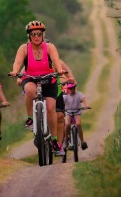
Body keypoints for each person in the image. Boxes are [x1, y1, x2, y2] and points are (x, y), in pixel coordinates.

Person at [9, 20, 66, 155]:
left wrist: (59, 70)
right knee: (30, 90)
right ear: (29, 35)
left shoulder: (50, 47)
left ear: (42, 34)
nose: (36, 37)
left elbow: (56, 60)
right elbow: (17, 62)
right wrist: (15, 71)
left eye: (39, 34)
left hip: (49, 78)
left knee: (51, 108)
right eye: (33, 34)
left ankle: (53, 140)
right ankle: (31, 118)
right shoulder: (24, 48)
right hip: (30, 77)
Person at [63, 82, 90, 150]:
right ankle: (66, 139)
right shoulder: (66, 96)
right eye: (69, 88)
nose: (70, 89)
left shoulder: (78, 94)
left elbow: (83, 99)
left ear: (74, 88)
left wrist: (86, 105)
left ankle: (82, 141)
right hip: (68, 112)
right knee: (67, 124)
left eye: (72, 88)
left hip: (77, 112)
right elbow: (62, 101)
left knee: (78, 124)